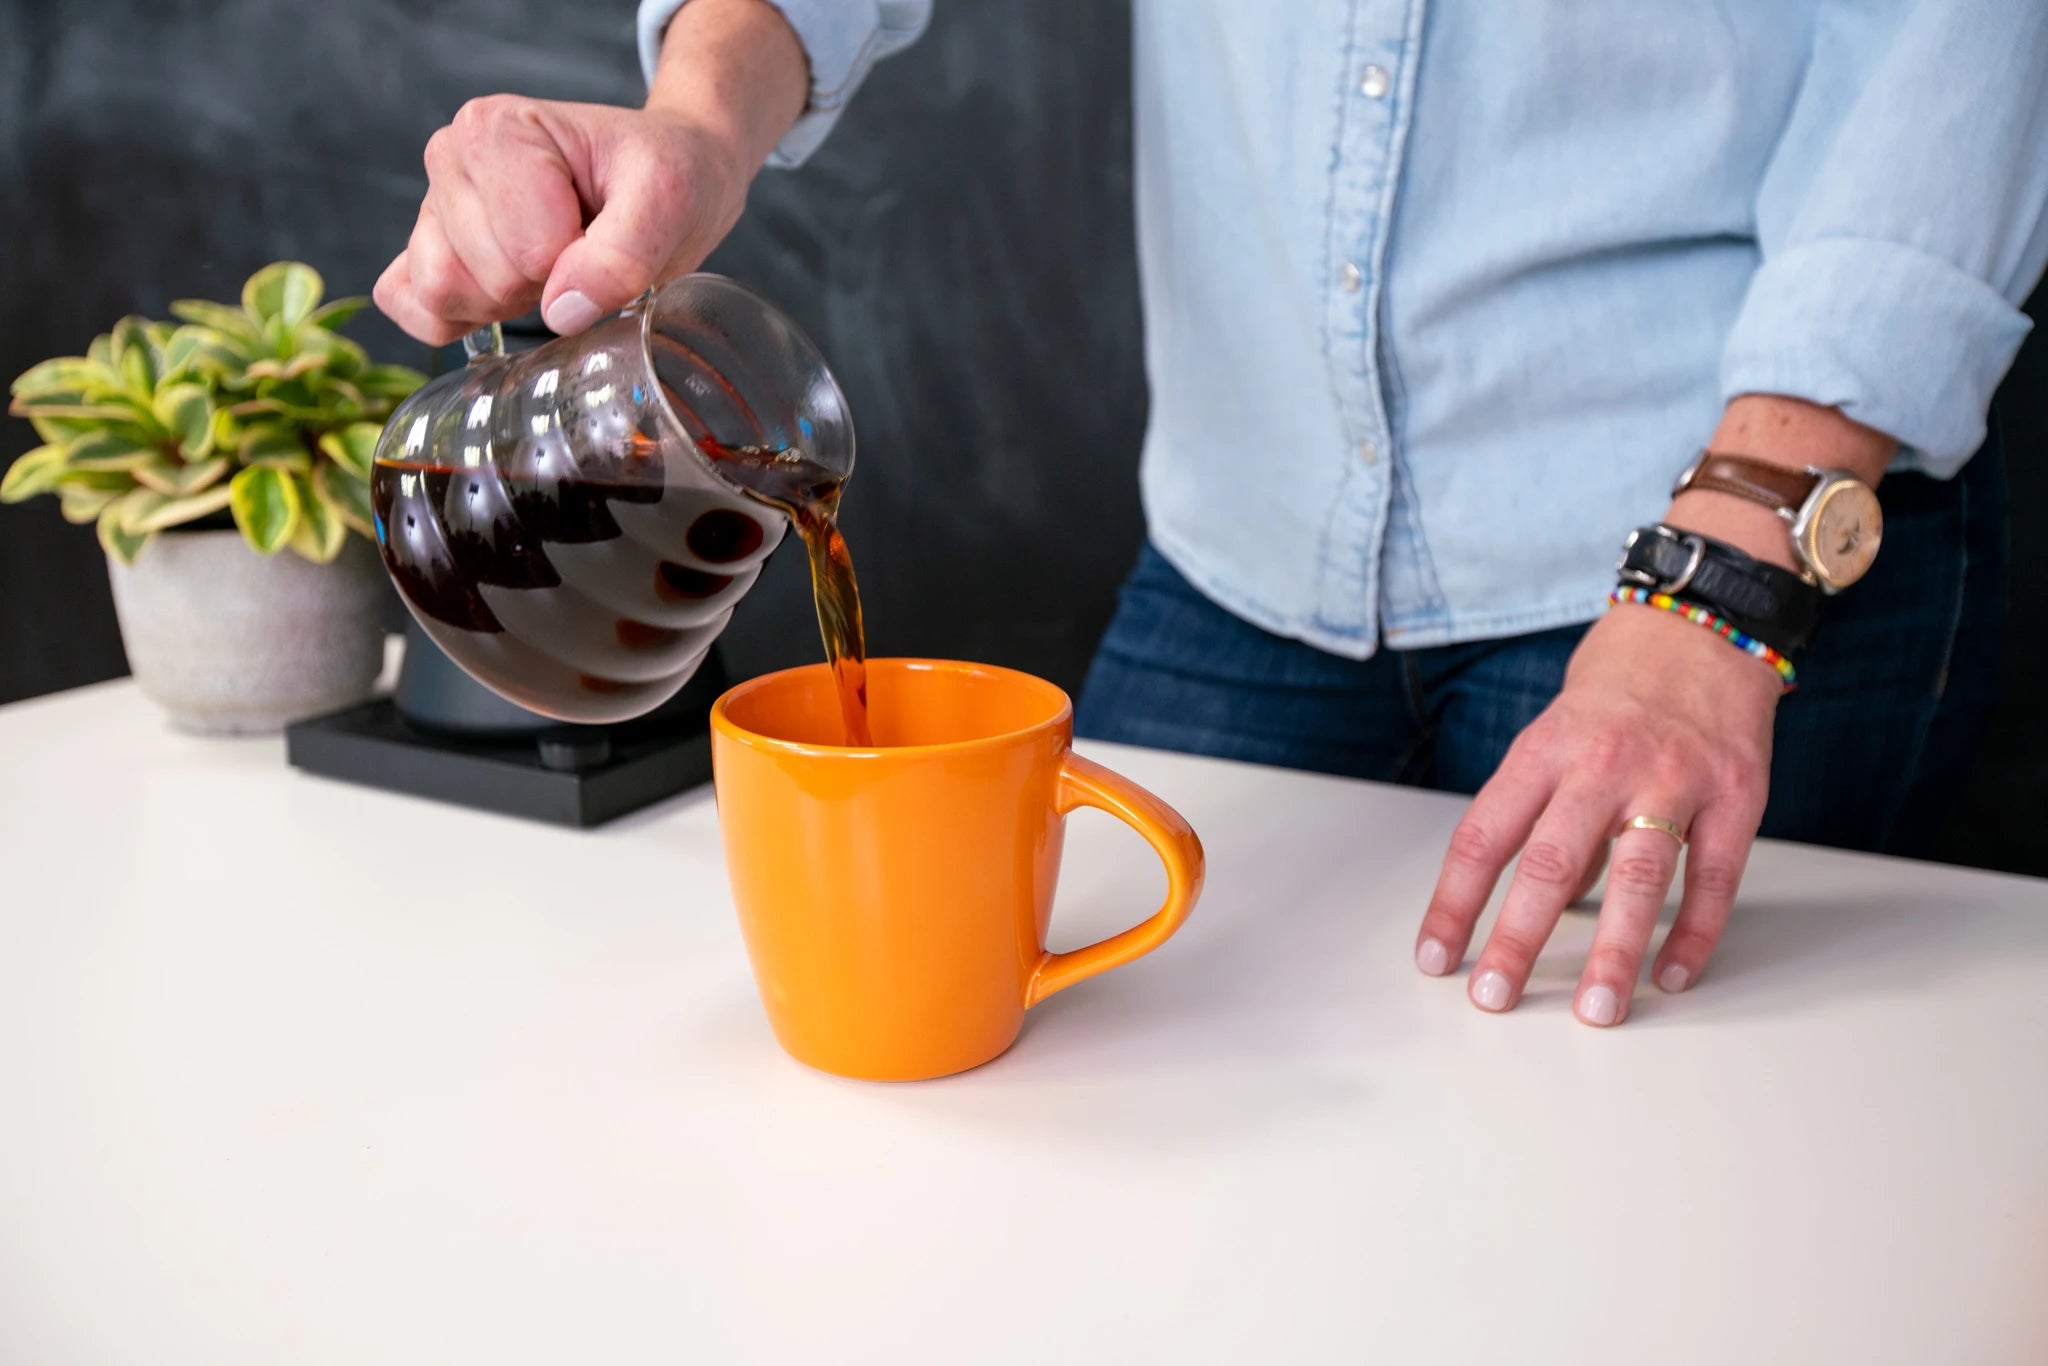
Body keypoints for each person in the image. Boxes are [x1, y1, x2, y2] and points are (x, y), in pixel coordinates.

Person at [375, 0, 2048, 1028]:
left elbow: (1959, 43)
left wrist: (1727, 574)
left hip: (1709, 558)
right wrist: (697, 116)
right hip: (1247, 553)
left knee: (1650, 1182)